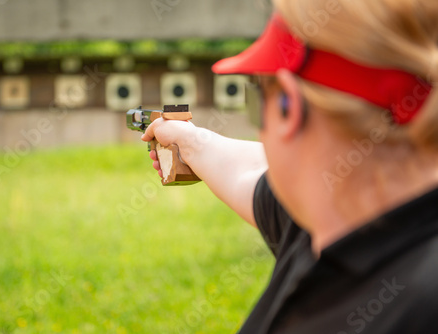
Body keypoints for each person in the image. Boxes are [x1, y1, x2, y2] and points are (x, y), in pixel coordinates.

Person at [142, 0, 438, 332]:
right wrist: (192, 141)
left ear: (288, 106)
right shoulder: (327, 216)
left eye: (256, 98)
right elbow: (250, 173)